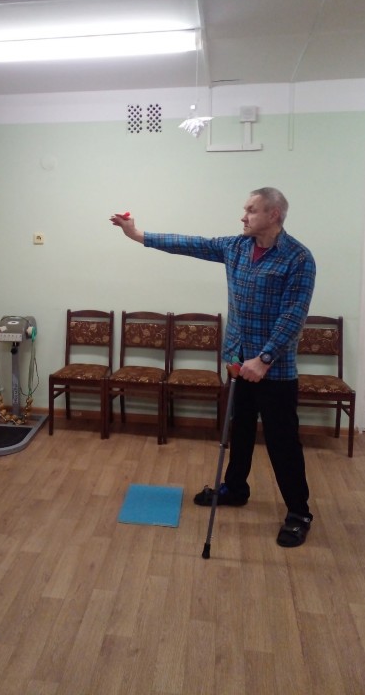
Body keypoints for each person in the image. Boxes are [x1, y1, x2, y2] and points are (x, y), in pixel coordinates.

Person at [110, 187, 316, 547]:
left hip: (274, 370)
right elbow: (191, 244)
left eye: (251, 210)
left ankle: (299, 513)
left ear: (274, 215)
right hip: (238, 362)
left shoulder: (298, 258)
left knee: (283, 442)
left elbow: (293, 316)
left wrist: (265, 359)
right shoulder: (236, 247)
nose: (243, 216)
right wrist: (138, 235)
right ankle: (235, 489)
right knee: (239, 430)